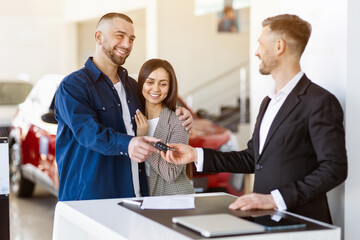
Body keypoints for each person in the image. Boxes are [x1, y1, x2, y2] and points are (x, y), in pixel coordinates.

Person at [161, 14, 347, 223]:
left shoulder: (319, 101)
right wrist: (195, 155)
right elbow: (252, 158)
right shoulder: (268, 102)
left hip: (303, 224)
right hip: (264, 222)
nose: (256, 52)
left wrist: (275, 200)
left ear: (279, 46)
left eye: (260, 44)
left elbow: (334, 168)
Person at [54, 12, 193, 201]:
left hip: (135, 197)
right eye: (119, 36)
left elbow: (156, 110)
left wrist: (180, 112)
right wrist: (129, 144)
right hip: (90, 200)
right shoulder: (73, 86)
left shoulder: (132, 87)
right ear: (98, 37)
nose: (127, 44)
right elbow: (88, 133)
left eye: (131, 39)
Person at [134, 59, 194, 196]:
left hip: (174, 198)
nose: (156, 89)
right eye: (150, 82)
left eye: (163, 84)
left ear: (170, 88)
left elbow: (171, 173)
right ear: (141, 83)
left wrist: (143, 139)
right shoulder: (132, 118)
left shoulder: (178, 122)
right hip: (142, 195)